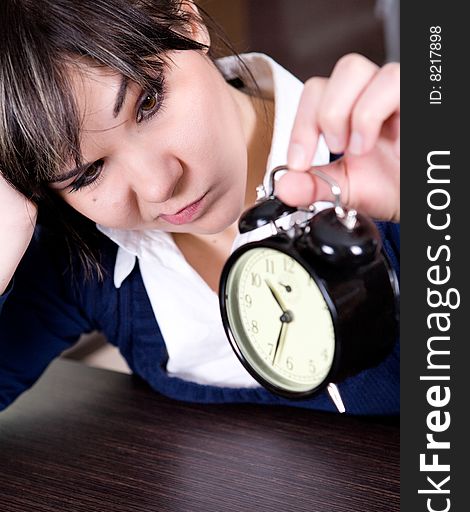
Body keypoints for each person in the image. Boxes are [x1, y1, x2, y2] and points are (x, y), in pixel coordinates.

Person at [0, 0, 400, 414]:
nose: (158, 186)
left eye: (148, 103)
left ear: (188, 22)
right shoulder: (85, 261)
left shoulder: (392, 163)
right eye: (86, 173)